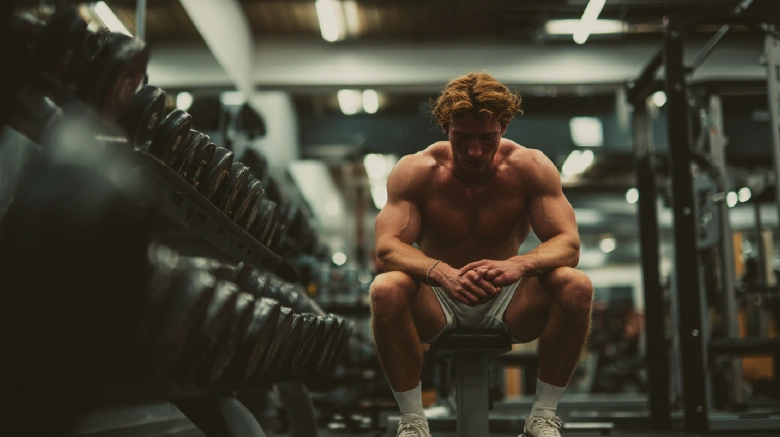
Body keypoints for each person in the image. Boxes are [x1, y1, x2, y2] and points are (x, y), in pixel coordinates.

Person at [370, 72, 593, 437]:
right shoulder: (416, 171)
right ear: (446, 126)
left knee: (575, 284)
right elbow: (387, 248)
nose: (475, 151)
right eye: (463, 137)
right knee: (385, 288)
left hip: (507, 299)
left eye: (487, 138)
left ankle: (542, 416)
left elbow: (568, 244)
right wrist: (439, 271)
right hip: (437, 300)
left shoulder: (530, 167)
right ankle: (413, 422)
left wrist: (518, 265)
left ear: (503, 126)